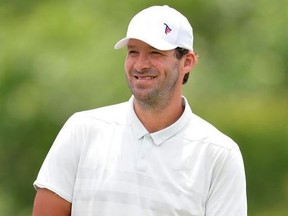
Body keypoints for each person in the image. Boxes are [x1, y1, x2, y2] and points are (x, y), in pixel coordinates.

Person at [32, 5, 247, 216]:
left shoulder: (219, 154)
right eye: (133, 52)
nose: (140, 64)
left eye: (155, 53)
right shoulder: (82, 130)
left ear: (187, 62)